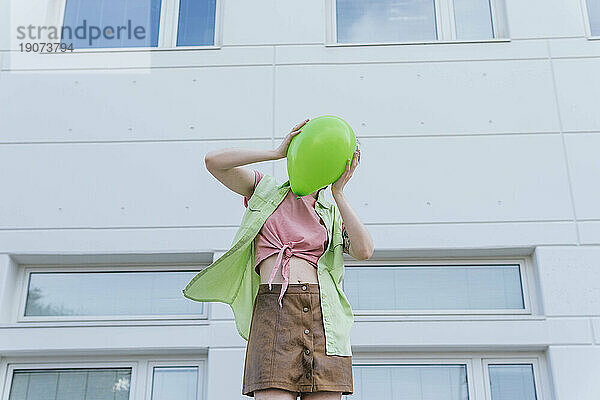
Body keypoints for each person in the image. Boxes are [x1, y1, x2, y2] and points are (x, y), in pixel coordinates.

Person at [201, 118, 373, 400]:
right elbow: (214, 161)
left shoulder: (330, 214)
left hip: (323, 317)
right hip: (275, 311)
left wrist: (338, 193)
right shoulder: (266, 191)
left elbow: (364, 250)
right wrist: (276, 152)